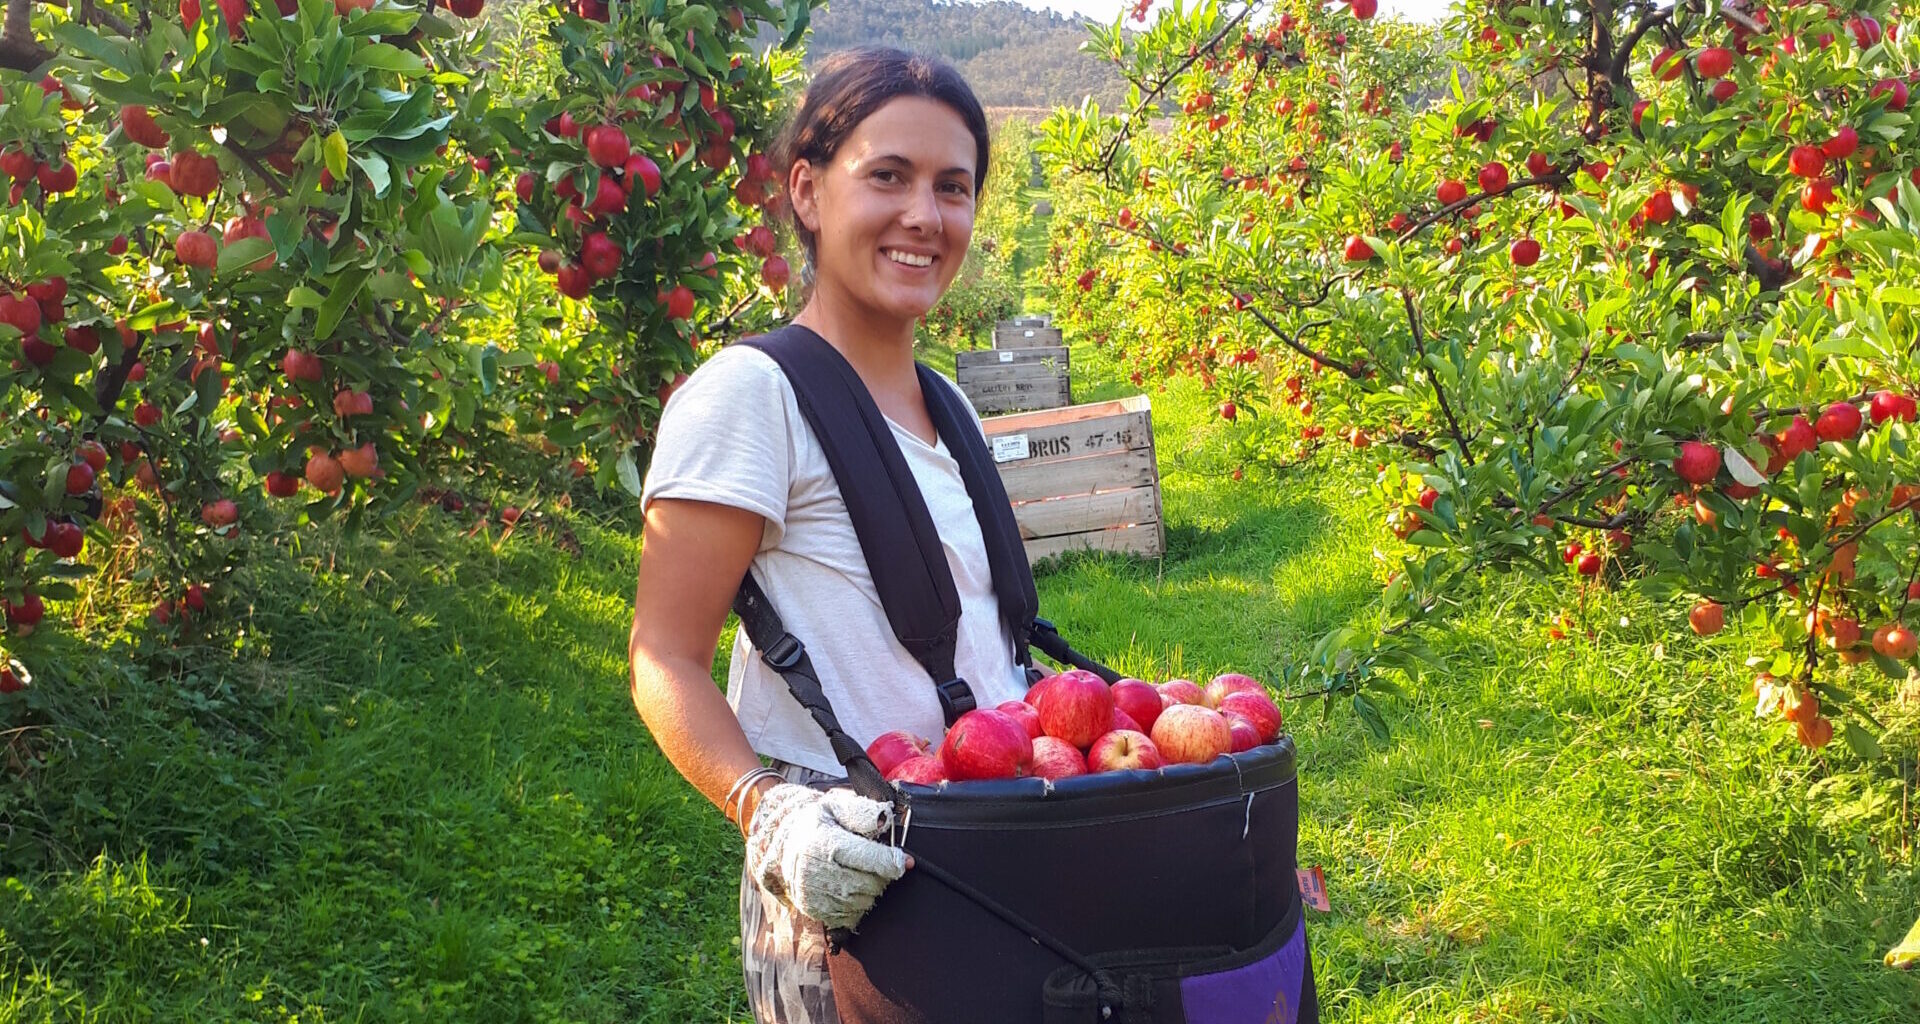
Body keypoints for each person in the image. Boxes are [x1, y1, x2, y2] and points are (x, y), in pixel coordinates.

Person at [627, 47, 1038, 1024]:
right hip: (844, 876)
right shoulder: (752, 396)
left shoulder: (952, 408)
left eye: (953, 187)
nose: (924, 218)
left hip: (996, 843)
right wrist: (765, 811)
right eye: (886, 176)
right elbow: (662, 655)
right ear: (808, 191)